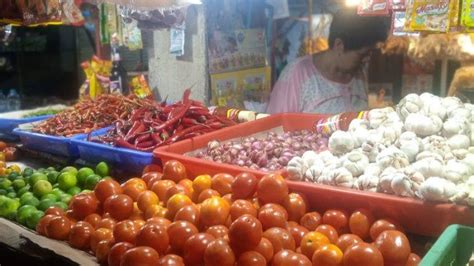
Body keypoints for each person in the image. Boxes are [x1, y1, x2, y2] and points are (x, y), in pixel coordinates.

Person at [266, 9, 389, 114]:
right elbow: (274, 128)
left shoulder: (359, 71)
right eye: (362, 54)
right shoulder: (297, 74)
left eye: (370, 53)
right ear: (339, 45)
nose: (367, 59)